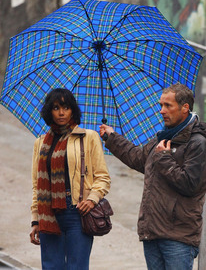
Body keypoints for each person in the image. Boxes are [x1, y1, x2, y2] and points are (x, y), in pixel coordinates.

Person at [100, 83, 206, 270]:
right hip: (152, 232)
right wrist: (112, 138)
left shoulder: (197, 143)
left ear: (185, 108)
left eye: (168, 106)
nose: (162, 111)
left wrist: (164, 158)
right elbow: (138, 158)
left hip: (178, 237)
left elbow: (191, 184)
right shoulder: (162, 138)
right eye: (161, 105)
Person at [30, 88, 111, 270]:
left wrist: (92, 199)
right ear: (49, 111)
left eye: (65, 107)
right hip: (48, 212)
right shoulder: (41, 142)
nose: (61, 113)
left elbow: (103, 177)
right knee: (51, 267)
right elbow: (37, 185)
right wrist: (35, 220)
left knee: (77, 267)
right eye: (56, 107)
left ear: (73, 109)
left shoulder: (87, 137)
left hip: (77, 211)